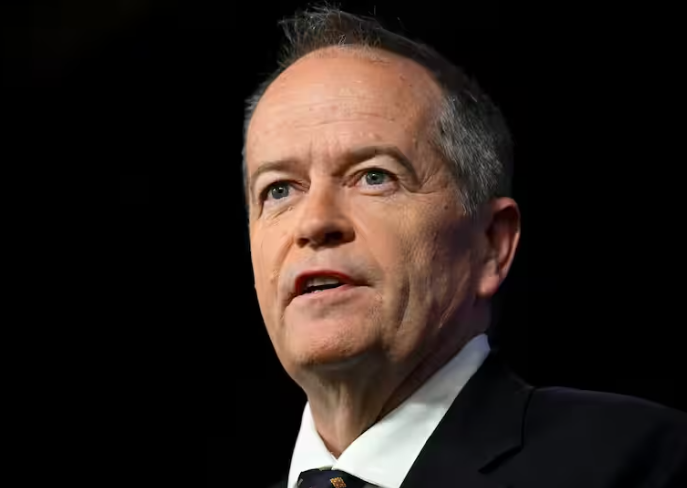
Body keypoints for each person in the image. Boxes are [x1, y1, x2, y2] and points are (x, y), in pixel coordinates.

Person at [242, 6, 687, 488]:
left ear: (491, 244)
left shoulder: (645, 460)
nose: (314, 223)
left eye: (374, 177)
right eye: (279, 189)